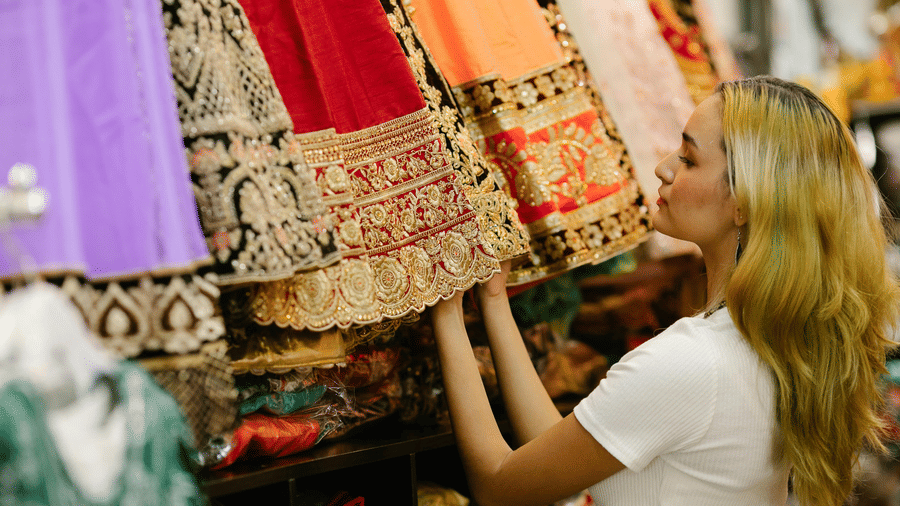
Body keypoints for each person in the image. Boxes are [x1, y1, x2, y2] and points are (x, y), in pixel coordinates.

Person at [430, 75, 900, 506]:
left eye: (690, 159)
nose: (663, 167)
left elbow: (498, 485)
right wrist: (494, 302)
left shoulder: (691, 363)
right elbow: (559, 455)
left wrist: (443, 308)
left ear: (744, 202)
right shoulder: (765, 343)